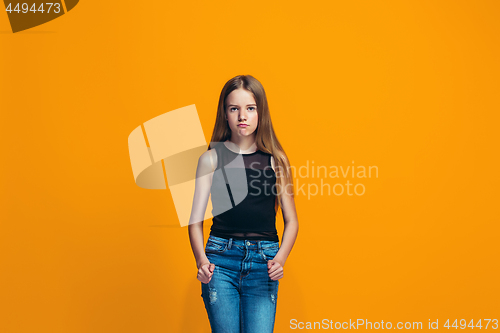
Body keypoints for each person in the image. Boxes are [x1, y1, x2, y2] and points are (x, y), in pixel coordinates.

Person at [188, 74, 299, 333]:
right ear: (225, 114)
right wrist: (201, 262)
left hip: (264, 262)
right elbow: (195, 221)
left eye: (250, 108)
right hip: (221, 261)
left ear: (261, 113)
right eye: (234, 108)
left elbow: (291, 220)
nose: (242, 116)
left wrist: (280, 258)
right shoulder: (211, 159)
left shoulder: (276, 160)